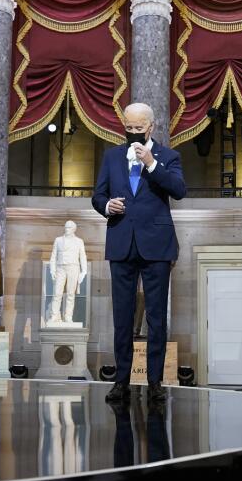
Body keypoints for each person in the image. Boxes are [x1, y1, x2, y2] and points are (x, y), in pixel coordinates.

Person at [91, 102, 186, 404]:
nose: (133, 134)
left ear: (151, 127)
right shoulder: (111, 156)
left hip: (156, 244)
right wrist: (107, 206)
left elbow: (179, 190)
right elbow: (98, 194)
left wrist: (152, 165)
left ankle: (155, 381)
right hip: (121, 242)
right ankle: (122, 381)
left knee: (156, 317)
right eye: (128, 128)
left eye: (138, 128)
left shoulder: (168, 156)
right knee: (122, 317)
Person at [47, 220, 88, 325]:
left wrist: (84, 271)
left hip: (73, 268)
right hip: (60, 268)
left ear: (74, 229)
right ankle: (54, 315)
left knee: (70, 294)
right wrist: (52, 270)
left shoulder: (79, 241)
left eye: (69, 227)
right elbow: (53, 256)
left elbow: (82, 256)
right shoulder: (58, 240)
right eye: (66, 227)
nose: (67, 229)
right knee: (57, 293)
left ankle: (68, 317)